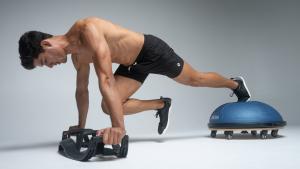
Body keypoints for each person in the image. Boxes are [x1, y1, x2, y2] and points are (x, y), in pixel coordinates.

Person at [18, 17, 251, 145]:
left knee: (195, 79)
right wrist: (80, 125)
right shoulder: (76, 58)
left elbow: (106, 79)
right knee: (108, 105)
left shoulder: (86, 29)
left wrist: (119, 127)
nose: (50, 66)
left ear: (46, 45)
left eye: (44, 62)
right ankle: (162, 105)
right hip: (131, 66)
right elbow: (82, 91)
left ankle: (235, 84)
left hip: (150, 51)